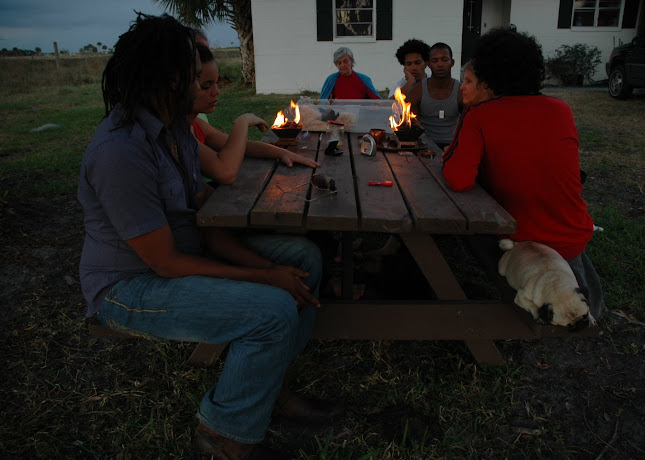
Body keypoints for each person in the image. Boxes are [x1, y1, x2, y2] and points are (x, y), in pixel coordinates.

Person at [78, 14, 341, 459]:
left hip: (185, 253)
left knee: (305, 258)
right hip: (130, 285)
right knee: (273, 308)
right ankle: (224, 434)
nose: (205, 77)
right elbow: (167, 264)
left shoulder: (177, 127)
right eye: (194, 70)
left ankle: (266, 387)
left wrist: (274, 267)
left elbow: (201, 219)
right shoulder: (120, 152)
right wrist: (267, 279)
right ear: (165, 77)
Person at [442, 27, 605, 319]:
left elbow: (458, 179)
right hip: (573, 233)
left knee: (464, 227)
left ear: (489, 77)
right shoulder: (561, 110)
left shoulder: (481, 116)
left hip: (523, 238)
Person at [189, 44, 319, 185]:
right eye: (206, 86)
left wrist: (282, 153)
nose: (216, 92)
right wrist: (242, 122)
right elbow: (226, 172)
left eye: (216, 83)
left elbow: (240, 146)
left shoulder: (197, 125)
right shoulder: (179, 133)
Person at [406, 42, 464, 149]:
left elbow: (471, 126)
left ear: (452, 62)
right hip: (423, 147)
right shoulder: (417, 91)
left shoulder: (461, 91)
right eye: (435, 60)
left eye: (444, 59)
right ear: (428, 64)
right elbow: (411, 127)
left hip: (453, 146)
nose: (440, 64)